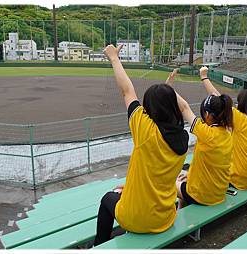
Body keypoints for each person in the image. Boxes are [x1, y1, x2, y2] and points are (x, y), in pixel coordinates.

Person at [93, 44, 189, 246]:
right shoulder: (183, 138)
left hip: (137, 219)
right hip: (164, 218)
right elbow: (180, 107)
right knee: (121, 192)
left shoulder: (144, 128)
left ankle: (98, 244)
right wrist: (168, 90)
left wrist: (113, 58)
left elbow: (127, 91)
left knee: (107, 199)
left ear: (150, 109)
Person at [165, 69, 234, 207]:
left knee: (163, 184)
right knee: (184, 180)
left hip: (203, 196)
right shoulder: (228, 131)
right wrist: (190, 176)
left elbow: (184, 108)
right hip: (219, 192)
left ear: (207, 115)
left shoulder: (206, 133)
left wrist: (169, 87)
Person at [199, 66, 247, 190]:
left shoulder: (241, 119)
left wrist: (204, 77)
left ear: (242, 104)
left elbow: (218, 99)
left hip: (242, 179)